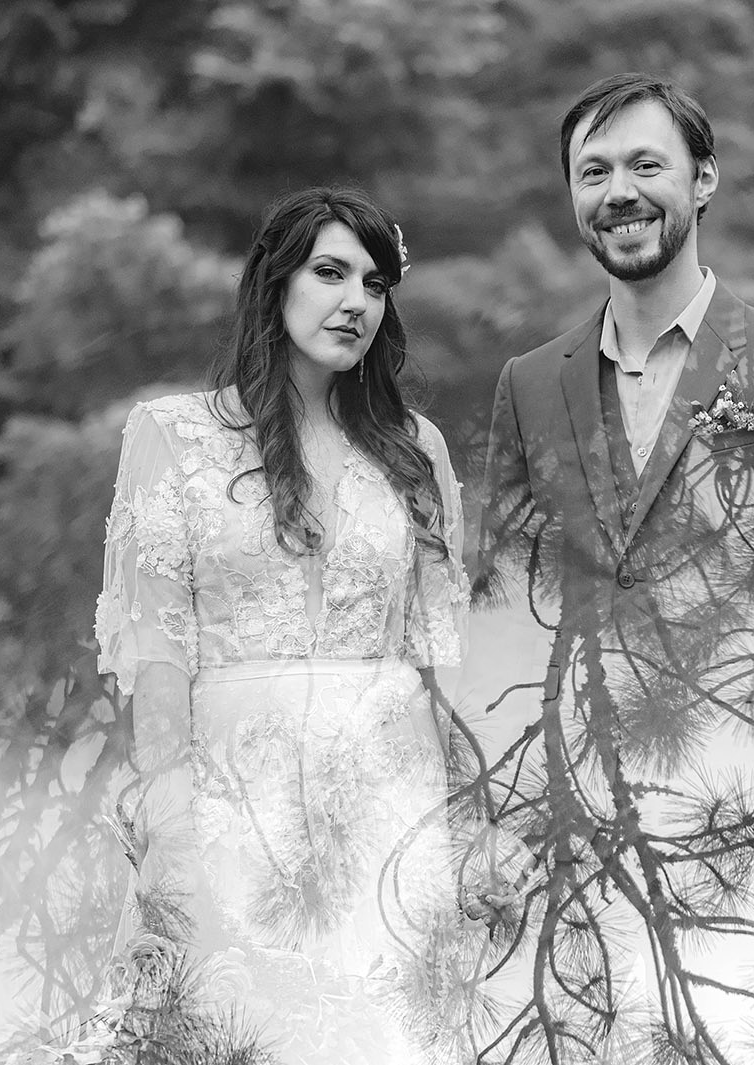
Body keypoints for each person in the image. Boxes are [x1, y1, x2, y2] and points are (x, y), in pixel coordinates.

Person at [469, 73, 754, 1062]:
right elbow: (500, 607)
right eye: (592, 170)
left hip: (747, 810)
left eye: (646, 163)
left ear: (703, 180)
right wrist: (505, 813)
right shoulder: (528, 383)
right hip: (578, 814)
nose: (618, 191)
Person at [84, 186, 470, 1064]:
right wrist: (171, 815)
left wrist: (445, 830)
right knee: (228, 1028)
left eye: (375, 283)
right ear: (275, 283)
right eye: (330, 272)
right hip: (231, 789)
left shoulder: (416, 450)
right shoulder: (174, 435)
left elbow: (432, 658)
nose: (356, 302)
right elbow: (158, 650)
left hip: (384, 789)